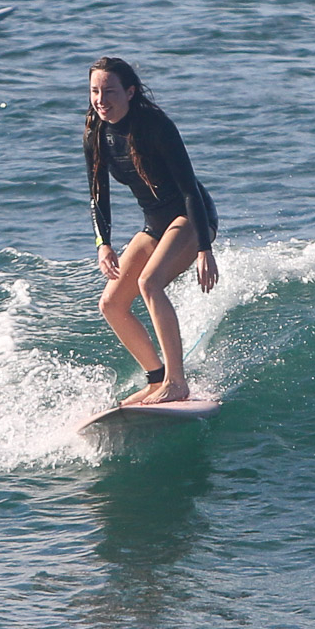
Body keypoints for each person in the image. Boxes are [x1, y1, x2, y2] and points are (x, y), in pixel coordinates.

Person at [84, 56, 220, 405]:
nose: (101, 100)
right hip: (155, 223)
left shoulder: (156, 127)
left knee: (149, 283)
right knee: (111, 303)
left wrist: (205, 249)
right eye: (95, 92)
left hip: (192, 218)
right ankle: (156, 377)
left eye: (110, 91)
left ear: (130, 92)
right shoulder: (96, 133)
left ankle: (177, 383)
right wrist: (104, 244)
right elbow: (97, 195)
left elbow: (189, 189)